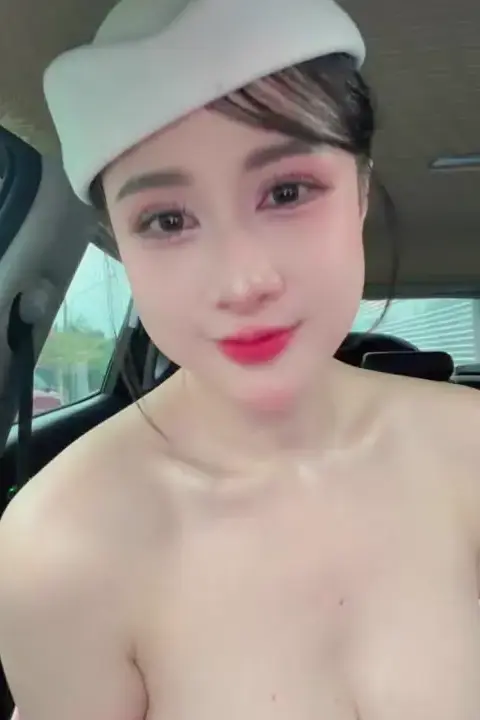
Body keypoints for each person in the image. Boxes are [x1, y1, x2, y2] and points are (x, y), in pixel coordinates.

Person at [1, 1, 480, 719]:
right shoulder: (61, 545)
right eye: (167, 220)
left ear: (359, 191)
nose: (242, 281)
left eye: (287, 192)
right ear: (120, 244)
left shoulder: (470, 453)